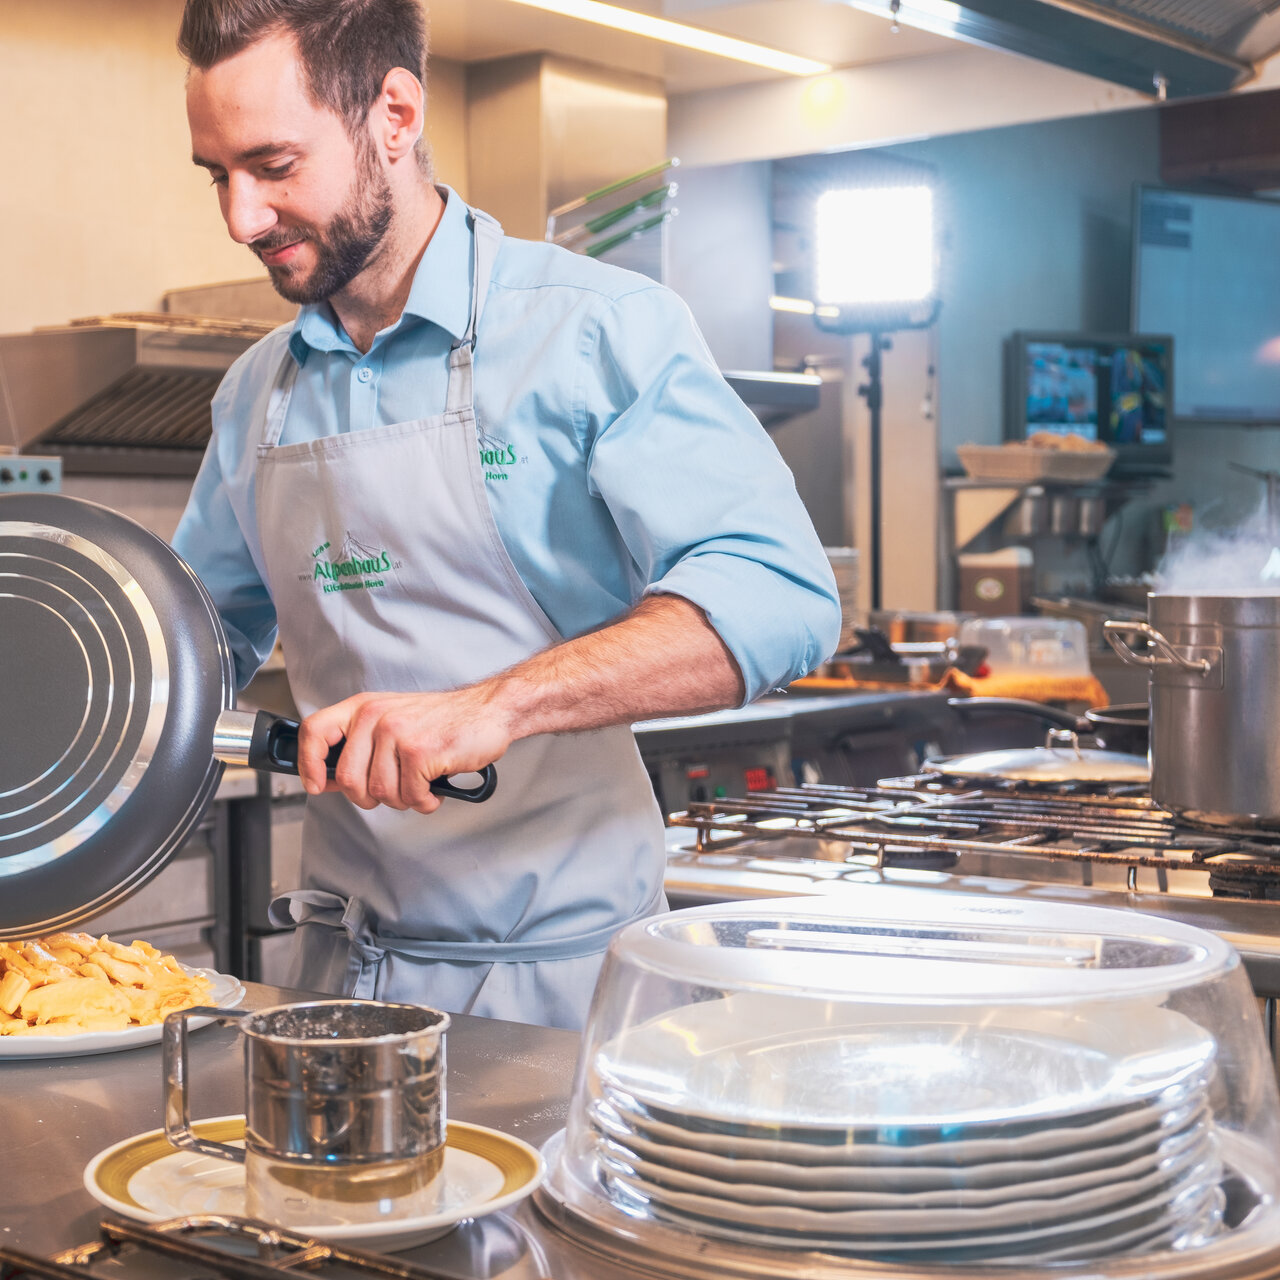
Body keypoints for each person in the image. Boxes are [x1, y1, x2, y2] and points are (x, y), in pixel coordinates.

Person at [171, 0, 840, 1029]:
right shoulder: (257, 393)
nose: (241, 219)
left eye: (273, 166)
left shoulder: (594, 331)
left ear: (395, 115)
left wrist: (496, 706)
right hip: (341, 979)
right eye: (217, 175)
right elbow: (189, 646)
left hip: (563, 987)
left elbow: (780, 595)